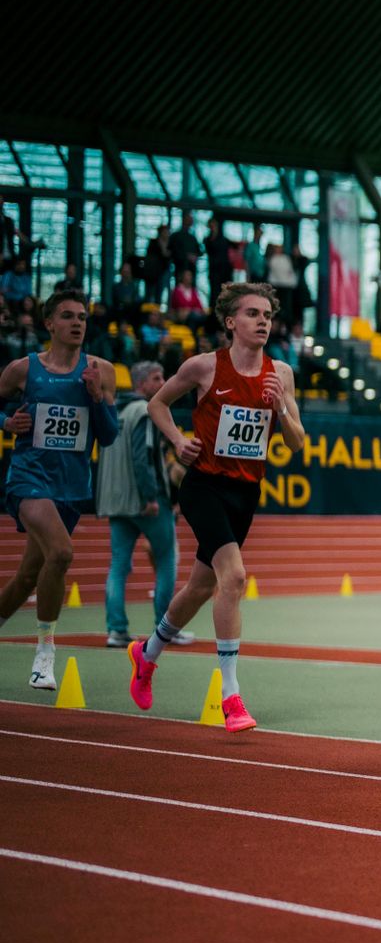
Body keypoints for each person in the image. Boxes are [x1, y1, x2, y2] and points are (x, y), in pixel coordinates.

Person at [130, 283, 308, 731]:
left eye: (267, 314)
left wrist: (281, 408)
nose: (263, 321)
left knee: (198, 588)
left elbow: (297, 441)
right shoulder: (204, 367)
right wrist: (177, 441)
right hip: (204, 485)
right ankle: (231, 695)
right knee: (235, 577)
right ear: (231, 322)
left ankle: (146, 654)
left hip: (246, 492)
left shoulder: (281, 373)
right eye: (252, 313)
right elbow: (157, 404)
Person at [0, 291, 121, 688]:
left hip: (71, 487)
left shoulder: (101, 370)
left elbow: (108, 436)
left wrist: (95, 397)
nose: (77, 323)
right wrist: (6, 424)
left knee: (27, 577)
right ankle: (45, 653)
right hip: (28, 478)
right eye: (67, 316)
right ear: (49, 323)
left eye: (83, 317)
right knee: (62, 552)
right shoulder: (23, 369)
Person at [97, 361, 190, 650]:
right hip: (145, 501)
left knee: (118, 566)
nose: (163, 381)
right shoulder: (146, 412)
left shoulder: (114, 410)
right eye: (156, 378)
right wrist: (150, 496)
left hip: (115, 501)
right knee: (166, 562)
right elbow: (143, 456)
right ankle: (166, 629)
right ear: (141, 384)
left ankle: (116, 630)